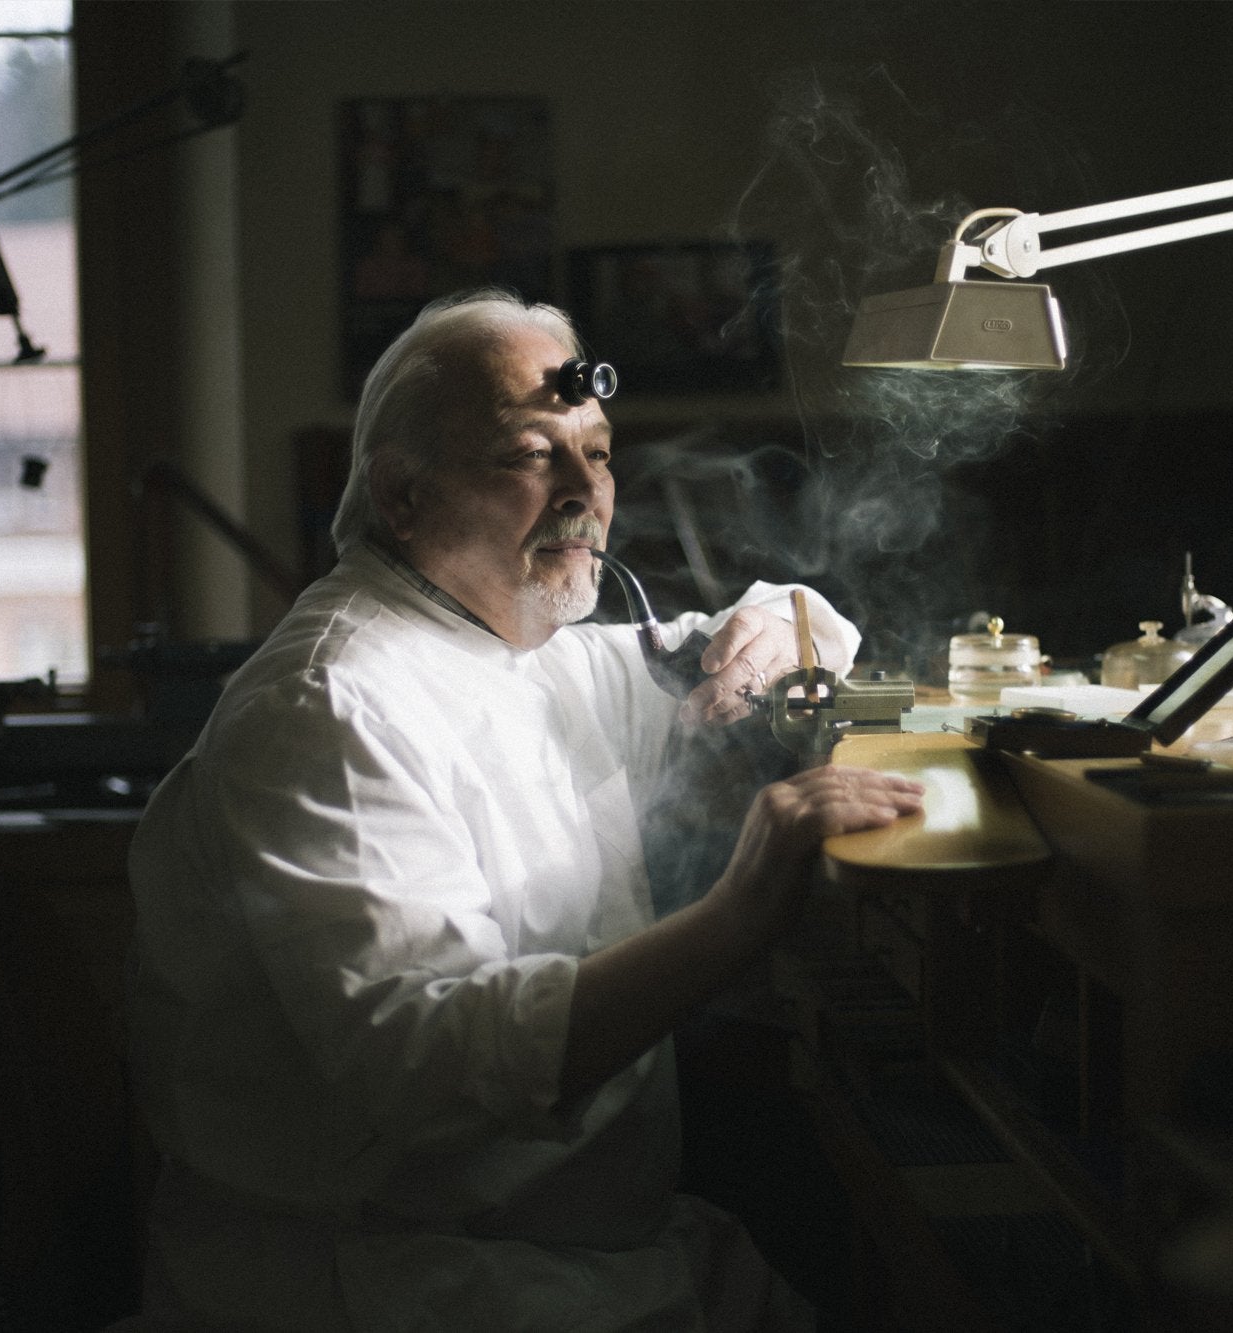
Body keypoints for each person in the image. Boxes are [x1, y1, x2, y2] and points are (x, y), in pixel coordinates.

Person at [124, 289, 923, 1330]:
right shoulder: (331, 703)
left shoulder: (517, 645)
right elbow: (428, 1066)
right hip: (399, 1278)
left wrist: (784, 622)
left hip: (569, 1248)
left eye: (595, 452)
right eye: (530, 454)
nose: (586, 494)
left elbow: (735, 645)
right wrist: (738, 914)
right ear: (403, 496)